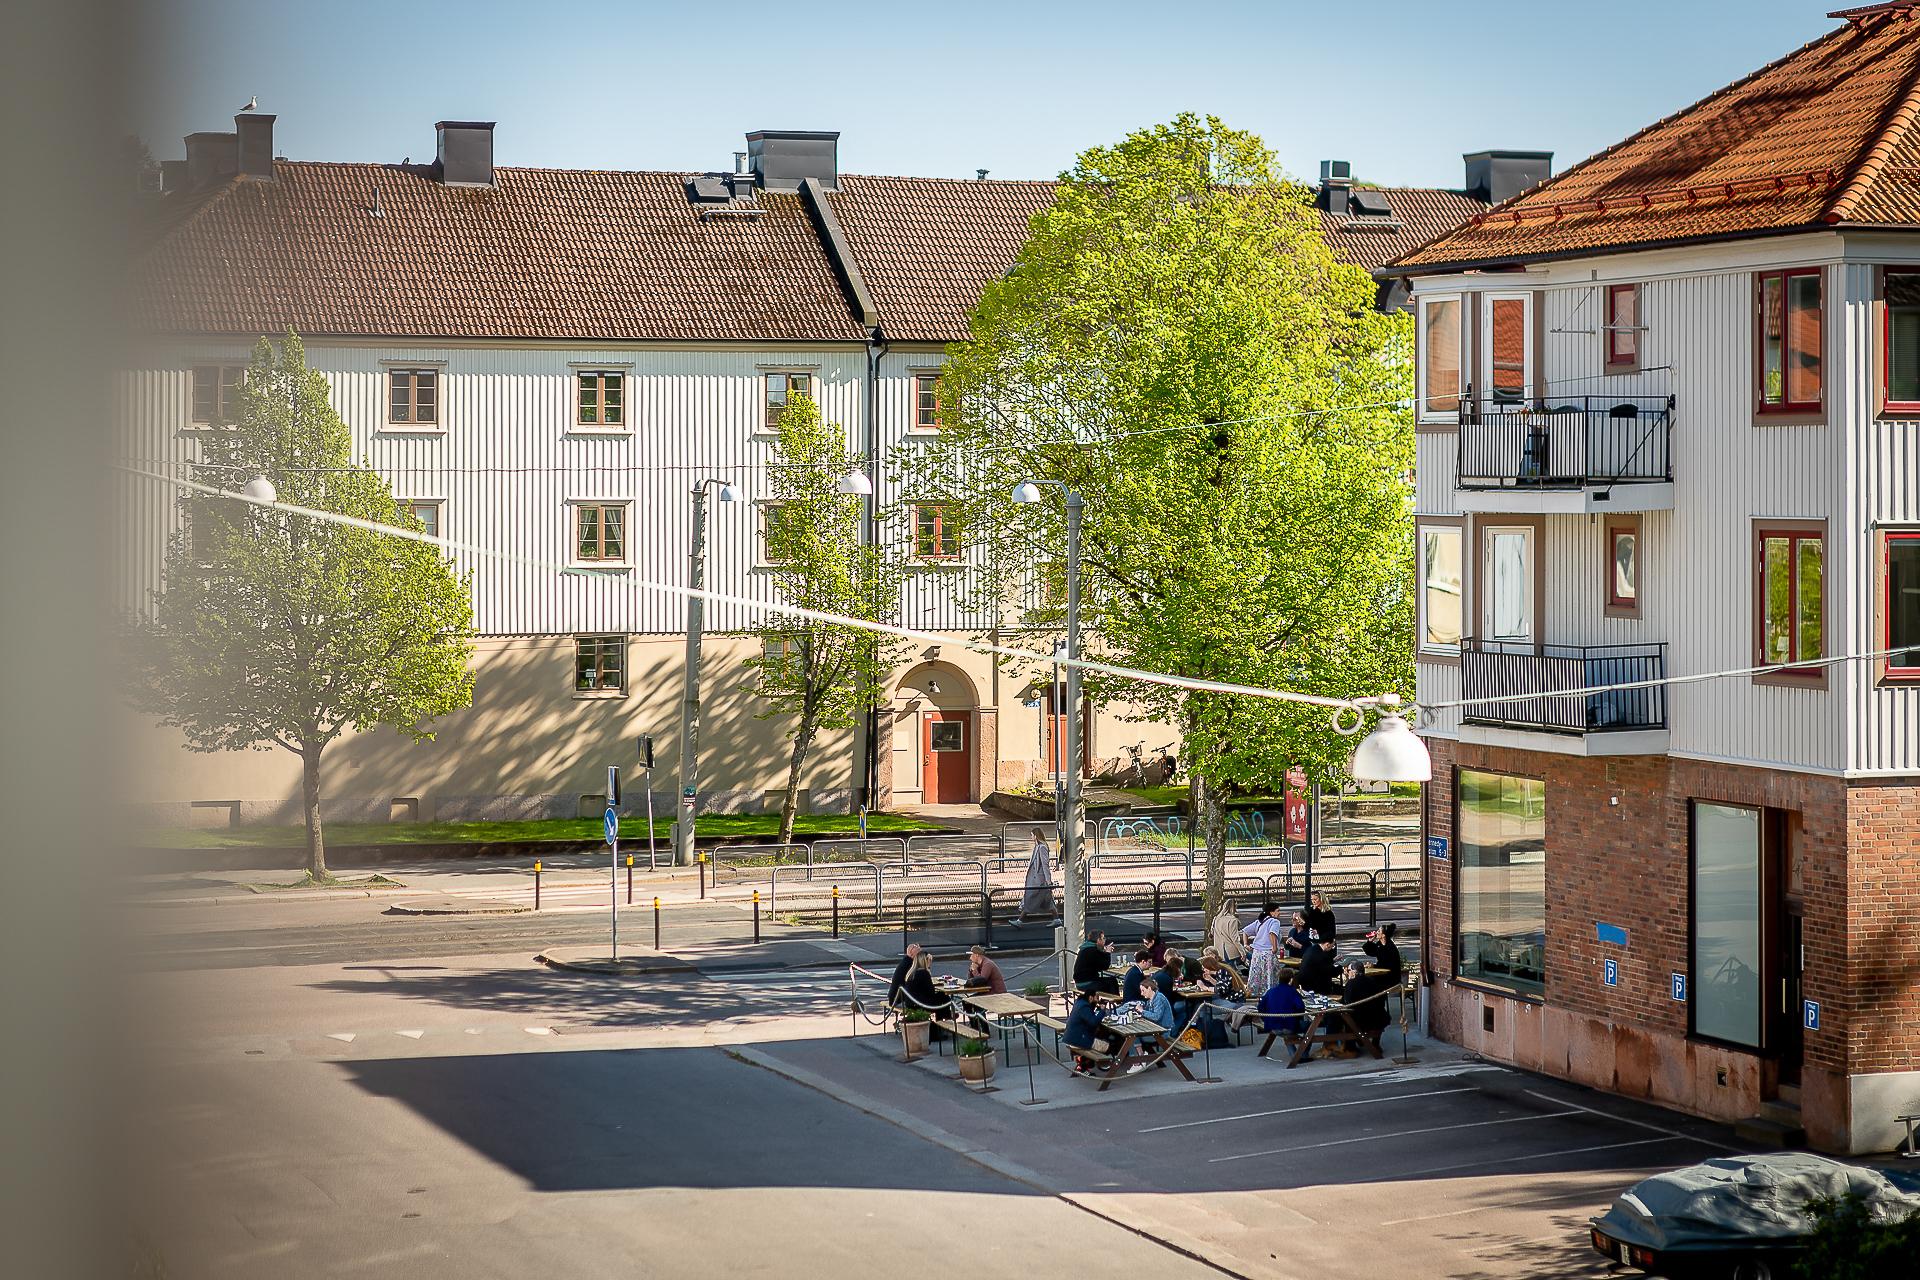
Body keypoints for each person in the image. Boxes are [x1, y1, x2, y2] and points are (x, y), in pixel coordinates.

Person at [1340, 959, 1394, 1057]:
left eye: (1348, 971)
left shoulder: (1351, 984)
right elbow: (1382, 1001)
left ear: (1354, 972)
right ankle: (1374, 1043)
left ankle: (1351, 1048)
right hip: (1379, 1018)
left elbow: (1347, 1003)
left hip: (1361, 1020)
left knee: (1344, 1017)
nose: (1347, 973)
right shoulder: (1373, 981)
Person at [1257, 971, 1309, 1056]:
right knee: (1309, 1026)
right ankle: (1304, 1054)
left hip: (1272, 1025)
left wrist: (1267, 1019)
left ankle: (1296, 1055)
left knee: (1287, 1028)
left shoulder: (1271, 991)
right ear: (1291, 980)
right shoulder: (1292, 992)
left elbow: (1260, 1007)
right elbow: (1301, 1008)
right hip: (1288, 1025)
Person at [900, 950, 948, 1026]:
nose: (930, 963)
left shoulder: (911, 973)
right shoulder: (924, 973)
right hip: (921, 1003)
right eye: (929, 961)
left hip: (911, 1002)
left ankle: (944, 1017)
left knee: (940, 997)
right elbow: (931, 992)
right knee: (944, 996)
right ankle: (944, 1018)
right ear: (925, 961)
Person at [1020, 832, 1056, 919]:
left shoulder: (1042, 848)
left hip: (1040, 881)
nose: (1031, 837)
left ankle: (1020, 919)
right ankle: (1057, 919)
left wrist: (1048, 880)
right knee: (1048, 902)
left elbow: (1045, 865)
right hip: (1039, 880)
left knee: (1030, 898)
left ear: (1036, 836)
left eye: (1032, 835)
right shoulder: (1037, 847)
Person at [1063, 984, 1105, 1054]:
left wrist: (1097, 1009)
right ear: (1091, 997)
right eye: (1096, 998)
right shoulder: (1084, 1007)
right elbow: (1093, 1022)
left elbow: (1090, 1017)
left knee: (1100, 1035)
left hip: (1073, 1037)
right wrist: (1102, 1011)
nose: (1097, 1001)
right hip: (1078, 1040)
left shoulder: (1079, 1002)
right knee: (1110, 1047)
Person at [1072, 932, 1118, 996]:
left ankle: (1103, 1004)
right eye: (1103, 938)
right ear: (1098, 940)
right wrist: (1107, 953)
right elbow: (1105, 966)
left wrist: (1104, 951)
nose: (1105, 940)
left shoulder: (1086, 948)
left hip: (1080, 982)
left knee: (1108, 981)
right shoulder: (1092, 950)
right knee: (1112, 981)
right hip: (1087, 984)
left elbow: (1096, 963)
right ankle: (1117, 1003)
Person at [1247, 920, 1281, 999]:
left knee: (1257, 975)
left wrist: (1246, 944)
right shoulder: (1275, 922)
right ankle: (1270, 995)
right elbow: (1272, 933)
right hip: (1268, 953)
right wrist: (1275, 948)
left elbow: (1246, 931)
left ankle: (1255, 994)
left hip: (1257, 953)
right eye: (1277, 910)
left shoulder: (1259, 921)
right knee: (1270, 975)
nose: (1279, 913)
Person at [887, 942, 922, 1007]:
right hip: (899, 1000)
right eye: (919, 954)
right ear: (913, 954)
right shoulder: (910, 964)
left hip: (894, 998)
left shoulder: (906, 961)